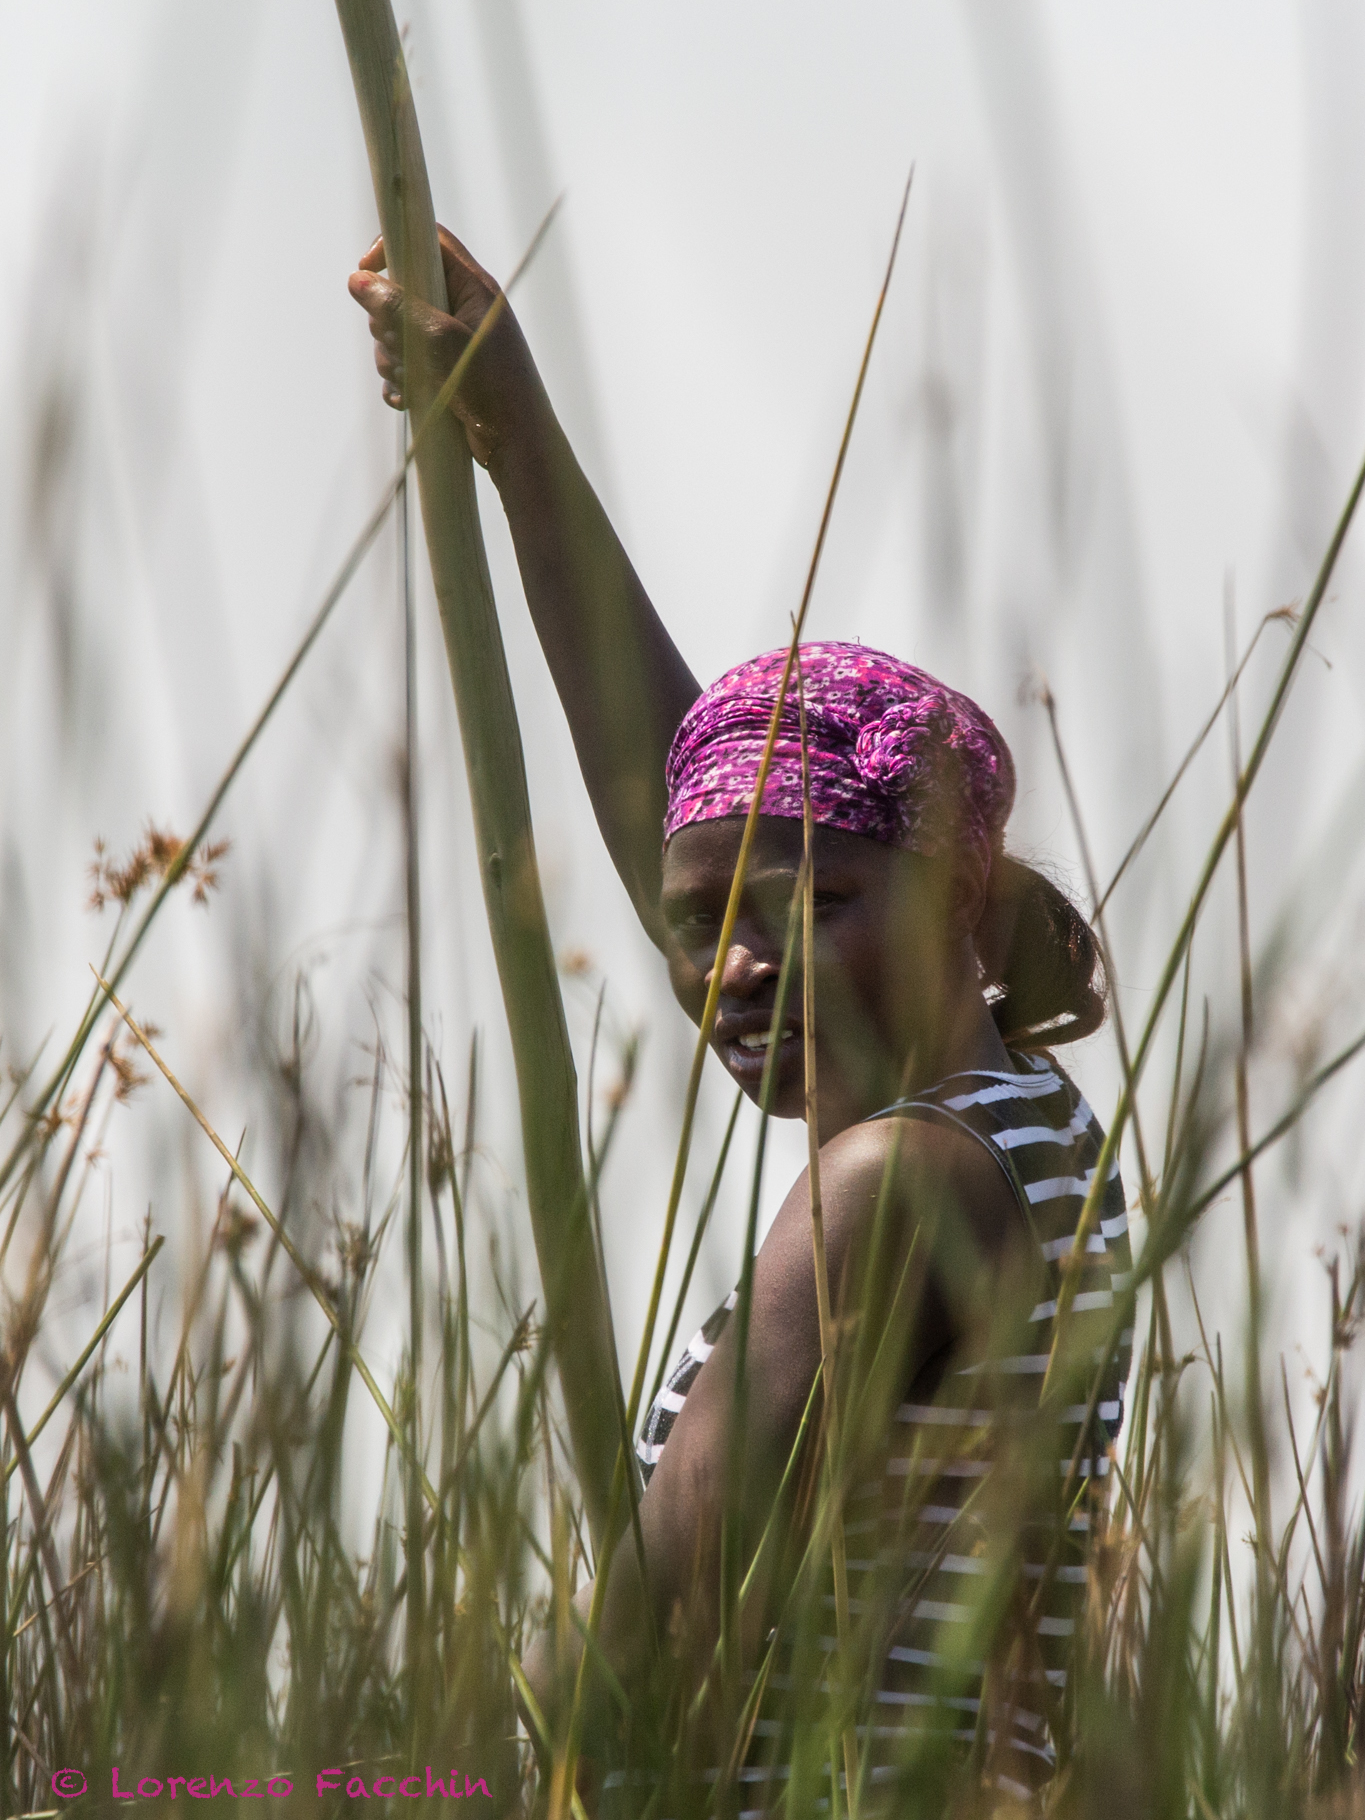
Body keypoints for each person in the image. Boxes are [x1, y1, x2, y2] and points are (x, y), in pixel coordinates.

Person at [348, 231, 1134, 1811]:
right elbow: (691, 810)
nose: (734, 973)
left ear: (958, 901)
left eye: (811, 909)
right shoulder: (1025, 1124)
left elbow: (656, 1639)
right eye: (695, 933)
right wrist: (513, 440)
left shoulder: (884, 1188)